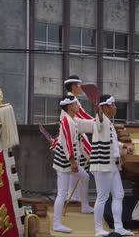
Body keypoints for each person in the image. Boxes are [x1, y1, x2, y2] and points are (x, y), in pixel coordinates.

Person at [91, 94, 135, 236]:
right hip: (103, 165)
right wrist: (99, 112)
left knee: (119, 194)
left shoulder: (109, 122)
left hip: (113, 164)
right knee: (102, 197)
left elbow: (112, 142)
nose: (116, 107)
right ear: (105, 107)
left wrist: (124, 146)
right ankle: (98, 229)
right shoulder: (101, 120)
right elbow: (99, 122)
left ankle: (118, 227)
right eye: (113, 104)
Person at [52, 95, 94, 233]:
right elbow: (68, 142)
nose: (78, 106)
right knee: (62, 193)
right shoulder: (67, 121)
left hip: (68, 162)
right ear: (70, 106)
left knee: (85, 177)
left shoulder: (71, 120)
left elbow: (64, 139)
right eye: (76, 104)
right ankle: (57, 224)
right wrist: (73, 162)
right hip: (66, 163)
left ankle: (85, 205)